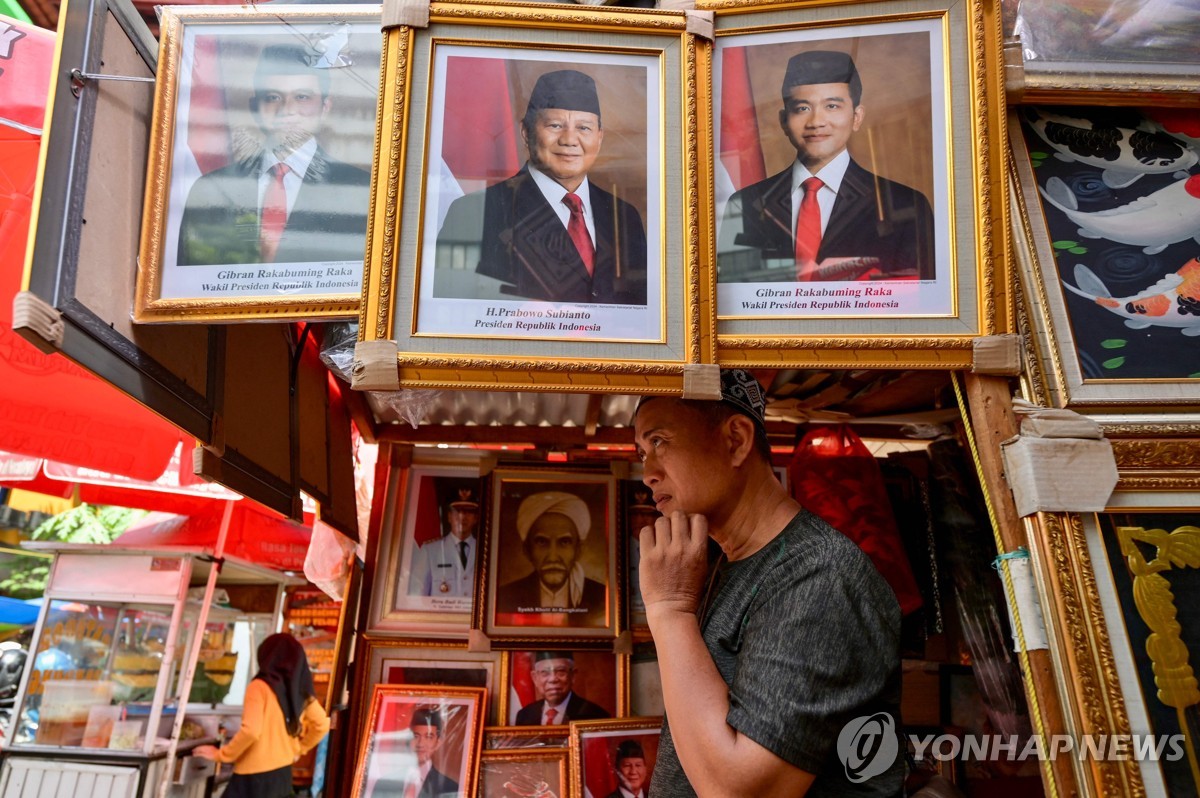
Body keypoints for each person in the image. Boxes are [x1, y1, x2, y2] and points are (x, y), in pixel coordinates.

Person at [632, 368, 902, 796]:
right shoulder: (723, 563)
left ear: (736, 440)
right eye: (642, 450)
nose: (647, 472)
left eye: (659, 442)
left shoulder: (818, 574)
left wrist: (668, 611)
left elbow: (743, 792)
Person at [717, 50, 935, 283]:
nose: (816, 122)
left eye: (832, 106)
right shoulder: (744, 205)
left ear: (857, 117)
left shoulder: (906, 205)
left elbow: (924, 302)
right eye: (802, 108)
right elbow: (733, 296)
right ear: (783, 121)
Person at [434, 69, 648, 304]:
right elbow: (451, 312)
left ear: (599, 138)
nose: (569, 140)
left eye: (584, 128)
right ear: (526, 132)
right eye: (555, 125)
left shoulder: (625, 216)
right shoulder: (474, 212)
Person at [176, 42, 371, 267]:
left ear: (325, 108)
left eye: (302, 97)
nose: (286, 109)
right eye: (273, 97)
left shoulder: (361, 191)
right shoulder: (211, 188)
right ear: (254, 107)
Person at [194, 633, 329, 798]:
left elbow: (251, 731)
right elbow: (322, 724)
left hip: (253, 777)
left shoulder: (259, 687)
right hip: (283, 775)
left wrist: (221, 754)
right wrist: (299, 749)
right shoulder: (299, 692)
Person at [495, 491, 608, 626]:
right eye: (542, 542)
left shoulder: (602, 597)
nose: (553, 557)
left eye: (564, 542)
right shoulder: (505, 596)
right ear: (527, 550)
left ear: (578, 550)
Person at [371, 707, 459, 798]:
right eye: (416, 736)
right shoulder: (384, 784)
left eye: (429, 737)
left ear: (438, 743)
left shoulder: (450, 789)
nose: (420, 744)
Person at [408, 487, 480, 598]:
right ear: (449, 516)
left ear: (476, 518)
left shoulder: (486, 552)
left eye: (468, 512)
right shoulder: (430, 551)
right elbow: (416, 596)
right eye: (456, 511)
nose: (462, 517)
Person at [514, 651, 609, 726]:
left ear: (573, 676)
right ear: (535, 678)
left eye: (561, 671)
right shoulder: (524, 715)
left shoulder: (595, 715)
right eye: (545, 673)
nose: (553, 679)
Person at [626, 488, 659, 614]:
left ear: (657, 518)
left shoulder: (667, 549)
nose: (640, 520)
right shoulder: (618, 554)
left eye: (647, 514)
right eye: (635, 515)